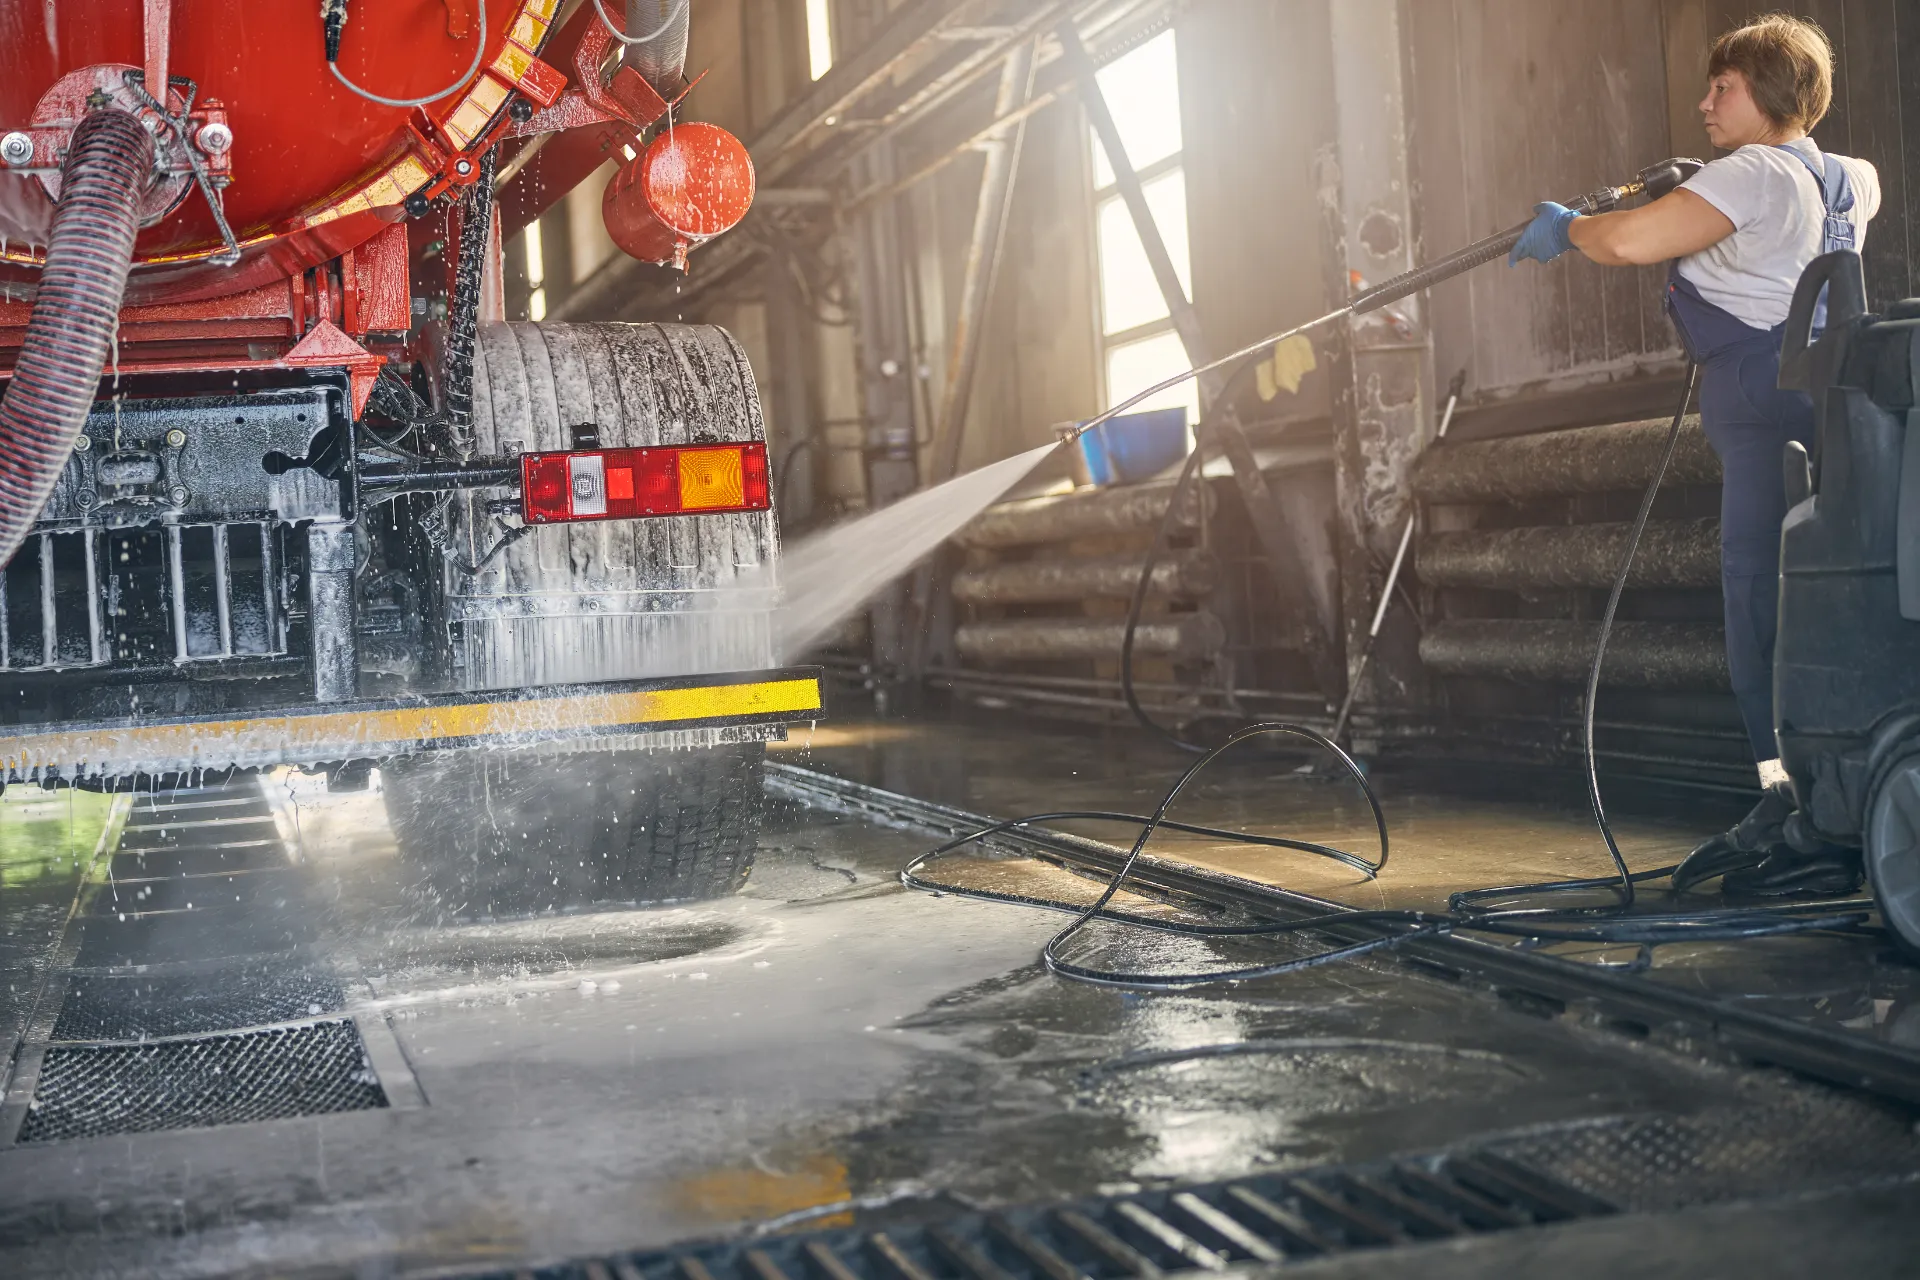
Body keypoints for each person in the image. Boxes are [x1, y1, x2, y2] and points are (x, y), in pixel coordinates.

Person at [1507, 14, 1880, 894]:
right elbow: (1759, 236)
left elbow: (1633, 240)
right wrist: (1695, 188)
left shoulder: (1749, 170)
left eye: (1725, 88)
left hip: (1756, 393)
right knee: (1831, 594)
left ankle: (1789, 807)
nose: (1705, 101)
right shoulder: (1854, 179)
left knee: (1757, 601)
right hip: (1836, 395)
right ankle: (1843, 794)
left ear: (1773, 95)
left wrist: (1568, 231)